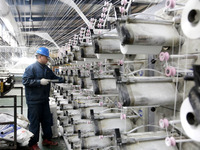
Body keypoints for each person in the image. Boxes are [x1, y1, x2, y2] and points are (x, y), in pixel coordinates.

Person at [22, 47, 63, 150]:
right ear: (40, 57)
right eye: (46, 57)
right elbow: (26, 81)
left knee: (46, 121)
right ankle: (33, 144)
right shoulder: (31, 68)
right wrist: (39, 82)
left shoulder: (46, 69)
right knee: (35, 123)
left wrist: (65, 79)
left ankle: (47, 139)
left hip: (44, 100)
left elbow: (54, 78)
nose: (47, 60)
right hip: (34, 101)